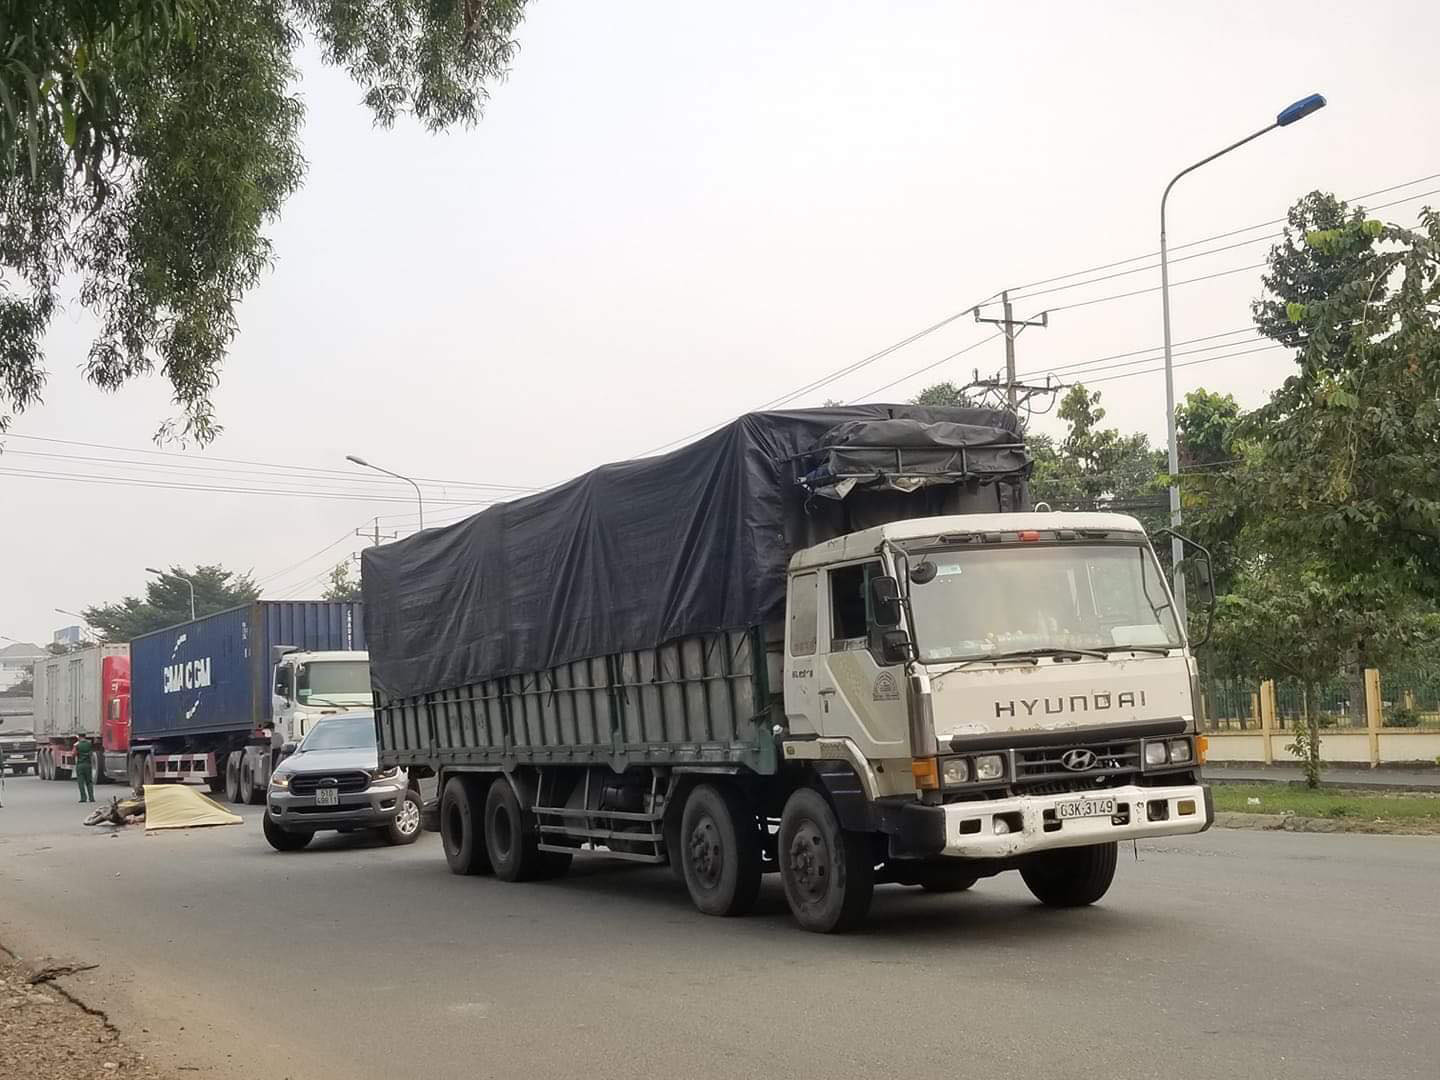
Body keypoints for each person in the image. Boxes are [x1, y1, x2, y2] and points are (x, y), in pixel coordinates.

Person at [74, 734, 96, 803]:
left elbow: (73, 754)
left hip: (80, 765)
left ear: (79, 737)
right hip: (88, 765)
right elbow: (91, 754)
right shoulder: (89, 744)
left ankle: (83, 798)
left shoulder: (77, 745)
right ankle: (91, 798)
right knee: (89, 782)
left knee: (81, 782)